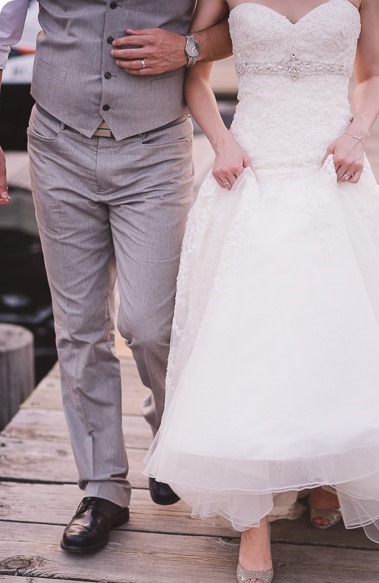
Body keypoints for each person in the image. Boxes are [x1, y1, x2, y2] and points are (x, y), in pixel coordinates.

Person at [143, 0, 379, 583]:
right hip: (251, 167)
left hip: (330, 166)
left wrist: (356, 135)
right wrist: (222, 142)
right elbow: (195, 73)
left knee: (334, 329)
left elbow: (373, 75)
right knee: (253, 339)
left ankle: (324, 471)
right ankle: (254, 519)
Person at [0, 1, 232, 554]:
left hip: (154, 149)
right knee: (79, 326)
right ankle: (103, 487)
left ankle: (169, 434)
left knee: (151, 324)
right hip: (56, 145)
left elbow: (255, 21)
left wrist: (192, 48)